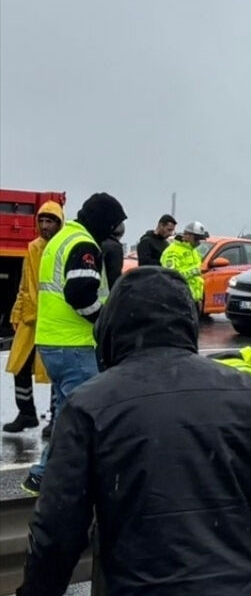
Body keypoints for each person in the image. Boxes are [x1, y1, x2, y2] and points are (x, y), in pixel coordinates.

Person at [17, 268, 251, 596]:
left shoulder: (89, 405)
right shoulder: (245, 394)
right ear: (186, 322)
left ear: (112, 326)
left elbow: (57, 530)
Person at [21, 192, 125, 496]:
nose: (115, 231)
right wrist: (105, 322)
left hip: (53, 342)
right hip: (74, 344)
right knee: (92, 415)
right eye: (114, 224)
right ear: (103, 220)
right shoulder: (83, 245)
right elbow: (80, 293)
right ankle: (86, 481)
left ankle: (47, 476)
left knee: (70, 414)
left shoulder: (62, 238)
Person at [3, 201, 62, 433]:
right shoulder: (33, 247)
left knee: (55, 370)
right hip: (31, 318)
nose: (45, 225)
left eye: (50, 221)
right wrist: (17, 313)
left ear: (59, 223)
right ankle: (26, 413)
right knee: (20, 365)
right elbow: (24, 285)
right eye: (42, 221)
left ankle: (56, 417)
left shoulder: (62, 247)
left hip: (54, 320)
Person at [161, 221, 209, 308]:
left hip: (193, 301)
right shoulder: (172, 252)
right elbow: (171, 277)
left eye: (200, 239)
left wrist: (199, 299)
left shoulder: (193, 251)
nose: (199, 242)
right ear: (187, 236)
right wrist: (194, 271)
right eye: (197, 239)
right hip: (179, 301)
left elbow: (196, 280)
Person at [101, 222, 126, 290]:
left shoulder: (100, 242)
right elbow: (114, 274)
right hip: (106, 293)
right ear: (122, 234)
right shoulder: (115, 247)